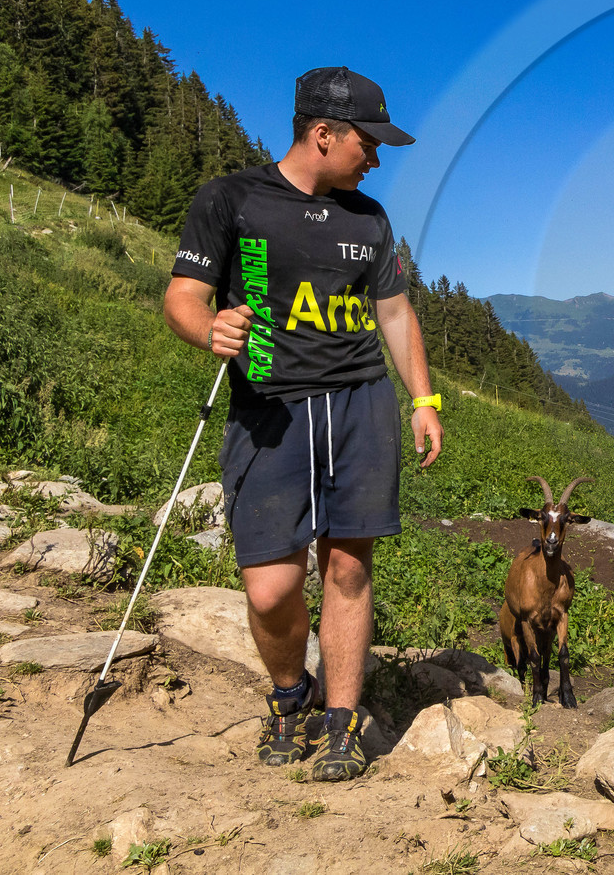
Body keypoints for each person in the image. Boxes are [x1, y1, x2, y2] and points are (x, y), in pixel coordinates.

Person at [162, 66, 443, 781]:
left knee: (348, 567)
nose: (376, 157)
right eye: (368, 142)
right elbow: (184, 297)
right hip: (271, 409)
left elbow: (394, 313)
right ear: (323, 134)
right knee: (271, 587)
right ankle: (292, 695)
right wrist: (209, 331)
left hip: (359, 403)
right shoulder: (231, 200)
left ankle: (341, 723)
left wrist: (423, 400)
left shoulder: (369, 218)